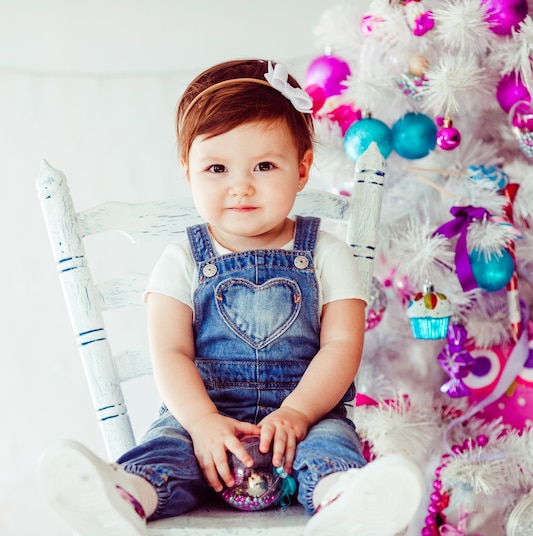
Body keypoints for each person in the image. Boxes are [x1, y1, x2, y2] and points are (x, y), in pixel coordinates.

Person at [39, 59, 424, 536]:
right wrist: (202, 422)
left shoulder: (327, 253)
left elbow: (342, 348)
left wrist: (298, 413)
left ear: (303, 169)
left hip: (303, 419)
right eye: (216, 167)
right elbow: (170, 352)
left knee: (331, 448)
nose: (240, 185)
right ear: (188, 172)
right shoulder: (181, 258)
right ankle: (124, 499)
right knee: (165, 450)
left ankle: (340, 502)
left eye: (265, 165)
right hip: (205, 421)